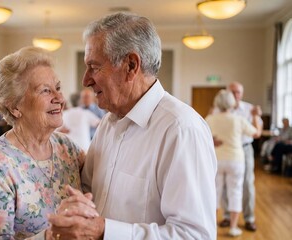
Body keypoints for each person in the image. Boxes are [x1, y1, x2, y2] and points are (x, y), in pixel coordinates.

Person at [48, 12, 217, 239]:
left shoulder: (181, 130)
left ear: (130, 65)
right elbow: (89, 188)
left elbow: (194, 235)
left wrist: (104, 232)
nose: (85, 80)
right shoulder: (108, 123)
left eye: (94, 67)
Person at [0, 46, 88, 239]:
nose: (60, 98)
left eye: (58, 88)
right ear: (15, 106)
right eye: (45, 91)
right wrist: (50, 237)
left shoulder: (67, 148)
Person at [205, 90, 261, 237]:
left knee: (215, 192)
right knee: (235, 191)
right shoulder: (238, 119)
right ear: (232, 103)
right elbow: (256, 133)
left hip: (217, 159)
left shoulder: (211, 118)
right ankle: (233, 227)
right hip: (236, 159)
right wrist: (255, 116)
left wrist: (212, 140)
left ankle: (213, 227)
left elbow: (202, 136)